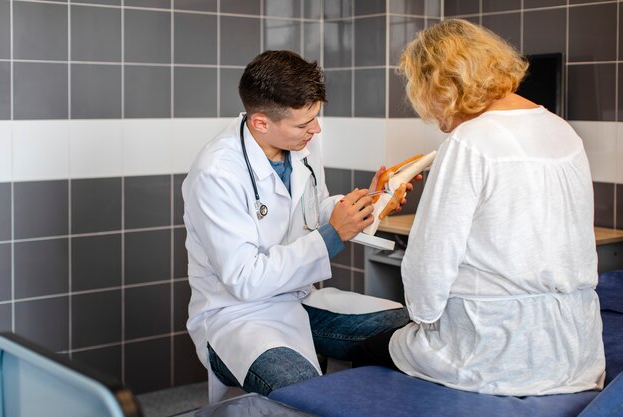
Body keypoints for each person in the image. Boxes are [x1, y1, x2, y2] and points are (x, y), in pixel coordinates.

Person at [352, 19, 606, 396]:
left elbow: (430, 260)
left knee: (366, 348)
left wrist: (421, 318)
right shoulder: (561, 129)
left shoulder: (471, 140)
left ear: (440, 82)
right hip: (573, 349)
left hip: (490, 351)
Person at [182, 50, 413, 397]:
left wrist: (366, 205)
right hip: (238, 316)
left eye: (316, 118)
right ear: (261, 122)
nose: (316, 129)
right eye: (305, 124)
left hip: (300, 298)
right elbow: (245, 280)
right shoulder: (216, 173)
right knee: (307, 394)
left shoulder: (301, 144)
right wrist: (334, 234)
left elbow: (309, 210)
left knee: (409, 332)